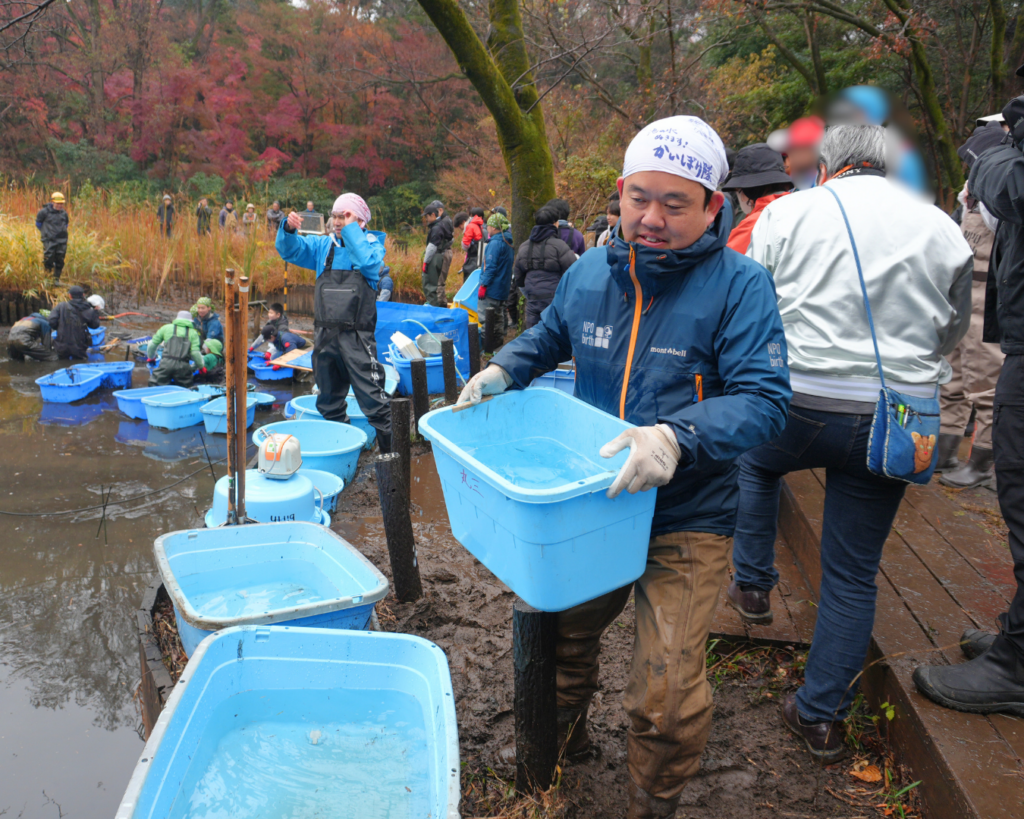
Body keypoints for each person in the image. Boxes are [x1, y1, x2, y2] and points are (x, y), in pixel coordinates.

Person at [457, 116, 791, 818]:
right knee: (559, 639)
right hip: (595, 501)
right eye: (641, 197)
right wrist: (501, 368)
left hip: (687, 511)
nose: (653, 217)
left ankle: (651, 802)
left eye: (676, 203)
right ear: (620, 192)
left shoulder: (741, 286)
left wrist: (675, 437)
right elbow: (548, 336)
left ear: (712, 205)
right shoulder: (588, 273)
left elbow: (765, 402)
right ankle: (560, 754)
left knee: (665, 699)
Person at [731, 124, 972, 760]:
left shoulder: (785, 214)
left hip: (796, 402)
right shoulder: (940, 224)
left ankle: (752, 586)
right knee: (852, 573)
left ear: (829, 163)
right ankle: (820, 715)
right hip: (892, 417)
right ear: (890, 165)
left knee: (755, 468)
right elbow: (953, 329)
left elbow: (752, 304)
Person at [913, 89, 1024, 718]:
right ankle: (1017, 637)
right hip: (997, 311)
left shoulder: (1001, 171)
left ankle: (1018, 664)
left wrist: (995, 155)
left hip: (998, 314)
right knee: (963, 388)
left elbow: (1009, 195)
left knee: (986, 396)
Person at [275, 192, 393, 452]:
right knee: (328, 401)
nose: (338, 221)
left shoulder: (372, 244)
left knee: (374, 401)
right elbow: (290, 250)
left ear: (360, 220)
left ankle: (391, 456)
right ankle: (346, 448)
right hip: (325, 337)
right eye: (335, 216)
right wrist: (288, 229)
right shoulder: (322, 247)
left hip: (357, 339)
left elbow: (369, 266)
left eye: (345, 216)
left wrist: (352, 231)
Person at [935, 124, 1008, 487]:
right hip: (964, 297)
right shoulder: (969, 199)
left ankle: (982, 460)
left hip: (989, 300)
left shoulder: (1000, 200)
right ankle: (945, 448)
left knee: (986, 382)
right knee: (954, 376)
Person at [720, 143, 793, 254]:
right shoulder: (807, 208)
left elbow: (727, 265)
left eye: (737, 190)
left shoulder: (752, 228)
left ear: (747, 191)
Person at [512, 204, 576, 329]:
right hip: (555, 303)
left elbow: (518, 279)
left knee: (533, 339)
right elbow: (573, 273)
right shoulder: (560, 246)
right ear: (555, 223)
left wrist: (531, 295)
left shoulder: (524, 247)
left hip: (533, 303)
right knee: (555, 339)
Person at [478, 212, 514, 340]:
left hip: (492, 289)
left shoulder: (494, 244)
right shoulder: (508, 242)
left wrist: (483, 284)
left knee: (486, 319)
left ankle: (487, 346)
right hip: (502, 288)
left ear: (493, 228)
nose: (486, 228)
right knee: (499, 317)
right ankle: (499, 343)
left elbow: (490, 267)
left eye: (488, 226)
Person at [767, 116, 825, 191]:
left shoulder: (825, 181)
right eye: (791, 149)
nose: (794, 154)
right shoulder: (785, 184)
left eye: (801, 149)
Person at [147, 311, 203, 387]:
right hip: (183, 366)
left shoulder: (166, 328)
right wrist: (201, 366)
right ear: (190, 321)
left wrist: (151, 357)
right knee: (185, 389)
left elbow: (152, 345)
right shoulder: (193, 333)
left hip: (166, 364)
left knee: (156, 385)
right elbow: (195, 353)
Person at [48, 286, 101, 360]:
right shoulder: (89, 310)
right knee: (80, 366)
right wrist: (95, 312)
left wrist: (60, 327)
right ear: (83, 295)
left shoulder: (61, 306)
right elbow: (95, 326)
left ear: (70, 295)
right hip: (80, 346)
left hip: (61, 344)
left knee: (61, 365)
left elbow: (51, 321)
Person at [422, 200, 454, 307]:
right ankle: (439, 306)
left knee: (432, 284)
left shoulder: (437, 227)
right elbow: (451, 239)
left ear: (433, 215)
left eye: (427, 216)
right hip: (443, 254)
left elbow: (432, 247)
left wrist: (425, 262)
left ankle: (437, 308)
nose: (426, 219)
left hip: (436, 255)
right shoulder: (446, 221)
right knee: (439, 283)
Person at [36, 192, 68, 283]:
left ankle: (56, 280)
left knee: (60, 260)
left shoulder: (64, 213)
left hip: (62, 240)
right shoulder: (43, 212)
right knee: (48, 258)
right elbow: (38, 224)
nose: (60, 205)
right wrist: (47, 233)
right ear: (52, 202)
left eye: (61, 203)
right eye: (58, 203)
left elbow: (66, 224)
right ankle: (47, 279)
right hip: (49, 239)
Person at [460, 207, 486, 281]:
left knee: (469, 279)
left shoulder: (471, 226)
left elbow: (465, 244)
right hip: (482, 258)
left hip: (473, 258)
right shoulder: (483, 226)